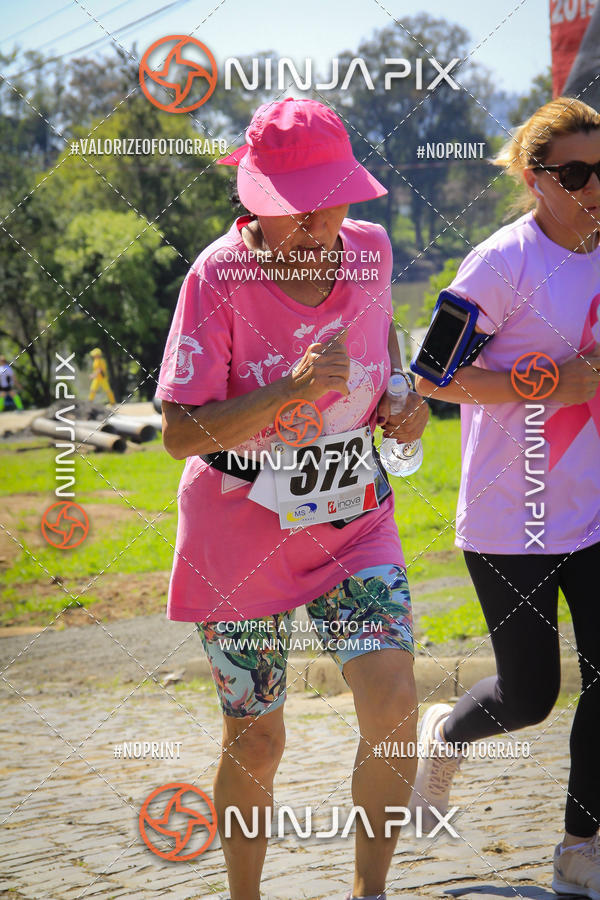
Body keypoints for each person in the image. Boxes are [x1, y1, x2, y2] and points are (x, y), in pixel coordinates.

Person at [156, 98, 429, 900]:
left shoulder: (373, 252)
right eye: (291, 206)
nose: (313, 221)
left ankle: (368, 892)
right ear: (254, 200)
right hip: (239, 535)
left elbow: (383, 359)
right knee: (258, 738)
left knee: (395, 702)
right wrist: (289, 391)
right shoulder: (217, 276)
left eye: (328, 198)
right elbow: (178, 432)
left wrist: (401, 402)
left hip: (353, 521)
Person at [412, 97, 600, 897]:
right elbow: (432, 374)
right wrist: (552, 383)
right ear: (536, 178)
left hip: (594, 510)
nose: (595, 186)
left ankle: (578, 846)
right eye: (578, 172)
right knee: (530, 695)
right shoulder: (500, 263)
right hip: (510, 515)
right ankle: (446, 737)